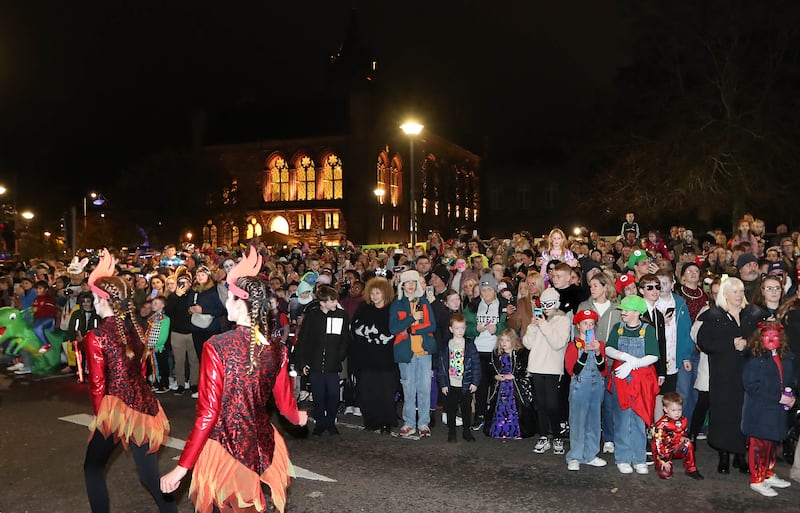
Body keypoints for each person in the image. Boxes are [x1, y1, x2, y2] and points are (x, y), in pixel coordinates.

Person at [160, 247, 307, 513]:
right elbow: (286, 406)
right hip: (260, 442)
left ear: (241, 304)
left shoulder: (217, 346)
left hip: (225, 445)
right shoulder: (276, 348)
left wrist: (182, 468)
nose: (225, 303)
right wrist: (300, 418)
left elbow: (208, 414)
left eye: (229, 298)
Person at [83, 249, 177, 513]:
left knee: (92, 467)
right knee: (149, 476)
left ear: (103, 300)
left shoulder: (97, 336)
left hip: (115, 409)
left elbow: (98, 384)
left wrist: (100, 418)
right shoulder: (134, 327)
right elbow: (140, 369)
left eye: (94, 296)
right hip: (145, 407)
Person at [696, 277, 766, 474]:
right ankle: (724, 455)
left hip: (747, 373)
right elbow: (704, 342)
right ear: (724, 294)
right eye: (734, 291)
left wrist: (748, 344)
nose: (739, 295)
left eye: (741, 291)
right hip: (723, 374)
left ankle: (740, 455)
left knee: (743, 414)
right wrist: (730, 344)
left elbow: (763, 340)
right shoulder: (714, 315)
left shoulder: (752, 314)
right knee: (723, 413)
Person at [605, 295, 660, 475]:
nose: (623, 313)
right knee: (621, 420)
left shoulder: (648, 330)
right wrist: (624, 357)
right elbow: (608, 348)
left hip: (641, 381)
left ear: (637, 312)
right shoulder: (617, 328)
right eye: (622, 310)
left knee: (639, 419)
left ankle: (639, 459)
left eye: (626, 310)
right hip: (621, 379)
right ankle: (623, 457)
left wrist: (634, 363)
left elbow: (653, 355)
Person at [742, 323, 796, 496]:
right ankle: (757, 479)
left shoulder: (785, 358)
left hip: (777, 411)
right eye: (767, 336)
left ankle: (768, 473)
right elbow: (751, 386)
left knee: (773, 443)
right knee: (759, 446)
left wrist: (792, 395)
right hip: (760, 410)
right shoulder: (755, 359)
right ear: (760, 338)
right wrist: (777, 396)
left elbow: (790, 382)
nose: (772, 339)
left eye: (775, 336)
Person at [296, 284, 350, 436]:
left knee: (333, 395)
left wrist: (340, 355)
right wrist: (303, 362)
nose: (335, 303)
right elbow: (304, 341)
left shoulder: (341, 315)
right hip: (315, 363)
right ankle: (320, 423)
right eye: (332, 301)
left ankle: (330, 421)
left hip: (333, 363)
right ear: (323, 302)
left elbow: (345, 338)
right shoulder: (313, 316)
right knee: (318, 395)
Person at [390, 270, 437, 439]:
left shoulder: (422, 302)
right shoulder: (397, 304)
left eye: (413, 282)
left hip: (424, 352)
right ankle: (409, 422)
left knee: (424, 389)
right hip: (405, 353)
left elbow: (431, 326)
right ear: (402, 285)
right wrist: (411, 319)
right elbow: (393, 328)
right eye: (407, 282)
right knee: (409, 390)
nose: (411, 285)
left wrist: (411, 329)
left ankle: (423, 422)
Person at [524, 287, 570, 455]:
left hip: (552, 368)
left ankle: (557, 435)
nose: (546, 308)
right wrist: (533, 326)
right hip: (536, 366)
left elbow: (558, 343)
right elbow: (528, 344)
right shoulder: (539, 319)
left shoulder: (563, 320)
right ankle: (543, 436)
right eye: (543, 304)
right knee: (540, 405)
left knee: (552, 404)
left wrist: (543, 324)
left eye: (549, 304)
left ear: (556, 304)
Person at [349, 277, 397, 434]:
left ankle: (386, 422)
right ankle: (371, 420)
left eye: (378, 292)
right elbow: (354, 329)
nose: (375, 296)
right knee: (367, 392)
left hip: (387, 359)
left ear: (385, 293)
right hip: (366, 359)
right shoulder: (364, 308)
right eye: (373, 293)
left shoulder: (392, 309)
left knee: (386, 392)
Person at [565, 309, 608, 471]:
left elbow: (603, 370)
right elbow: (573, 370)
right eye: (585, 323)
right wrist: (583, 353)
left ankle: (590, 454)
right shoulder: (573, 345)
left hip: (596, 386)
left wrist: (597, 353)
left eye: (591, 323)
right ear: (578, 326)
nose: (589, 326)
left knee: (594, 421)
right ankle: (575, 455)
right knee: (578, 421)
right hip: (579, 386)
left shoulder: (600, 345)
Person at [485, 328, 535, 440]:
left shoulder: (521, 353)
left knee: (515, 408)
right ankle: (499, 429)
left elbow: (525, 369)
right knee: (500, 407)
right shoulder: (496, 354)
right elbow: (490, 369)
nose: (503, 343)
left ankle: (516, 430)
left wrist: (514, 376)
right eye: (502, 340)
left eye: (507, 340)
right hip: (501, 386)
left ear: (513, 341)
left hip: (515, 387)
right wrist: (495, 376)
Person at [437, 314, 480, 442]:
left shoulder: (470, 345)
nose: (460, 331)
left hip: (465, 383)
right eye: (457, 328)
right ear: (451, 329)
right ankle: (452, 431)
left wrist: (475, 381)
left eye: (462, 328)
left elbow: (476, 364)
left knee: (466, 409)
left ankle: (466, 430)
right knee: (451, 409)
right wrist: (443, 383)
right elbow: (442, 367)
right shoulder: (446, 346)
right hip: (451, 384)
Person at [651, 392, 704, 480]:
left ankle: (691, 469)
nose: (677, 413)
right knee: (666, 475)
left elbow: (683, 432)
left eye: (679, 409)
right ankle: (658, 464)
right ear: (665, 409)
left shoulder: (683, 420)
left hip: (675, 447)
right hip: (664, 451)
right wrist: (663, 460)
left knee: (688, 444)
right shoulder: (661, 425)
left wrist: (683, 437)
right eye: (674, 410)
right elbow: (657, 444)